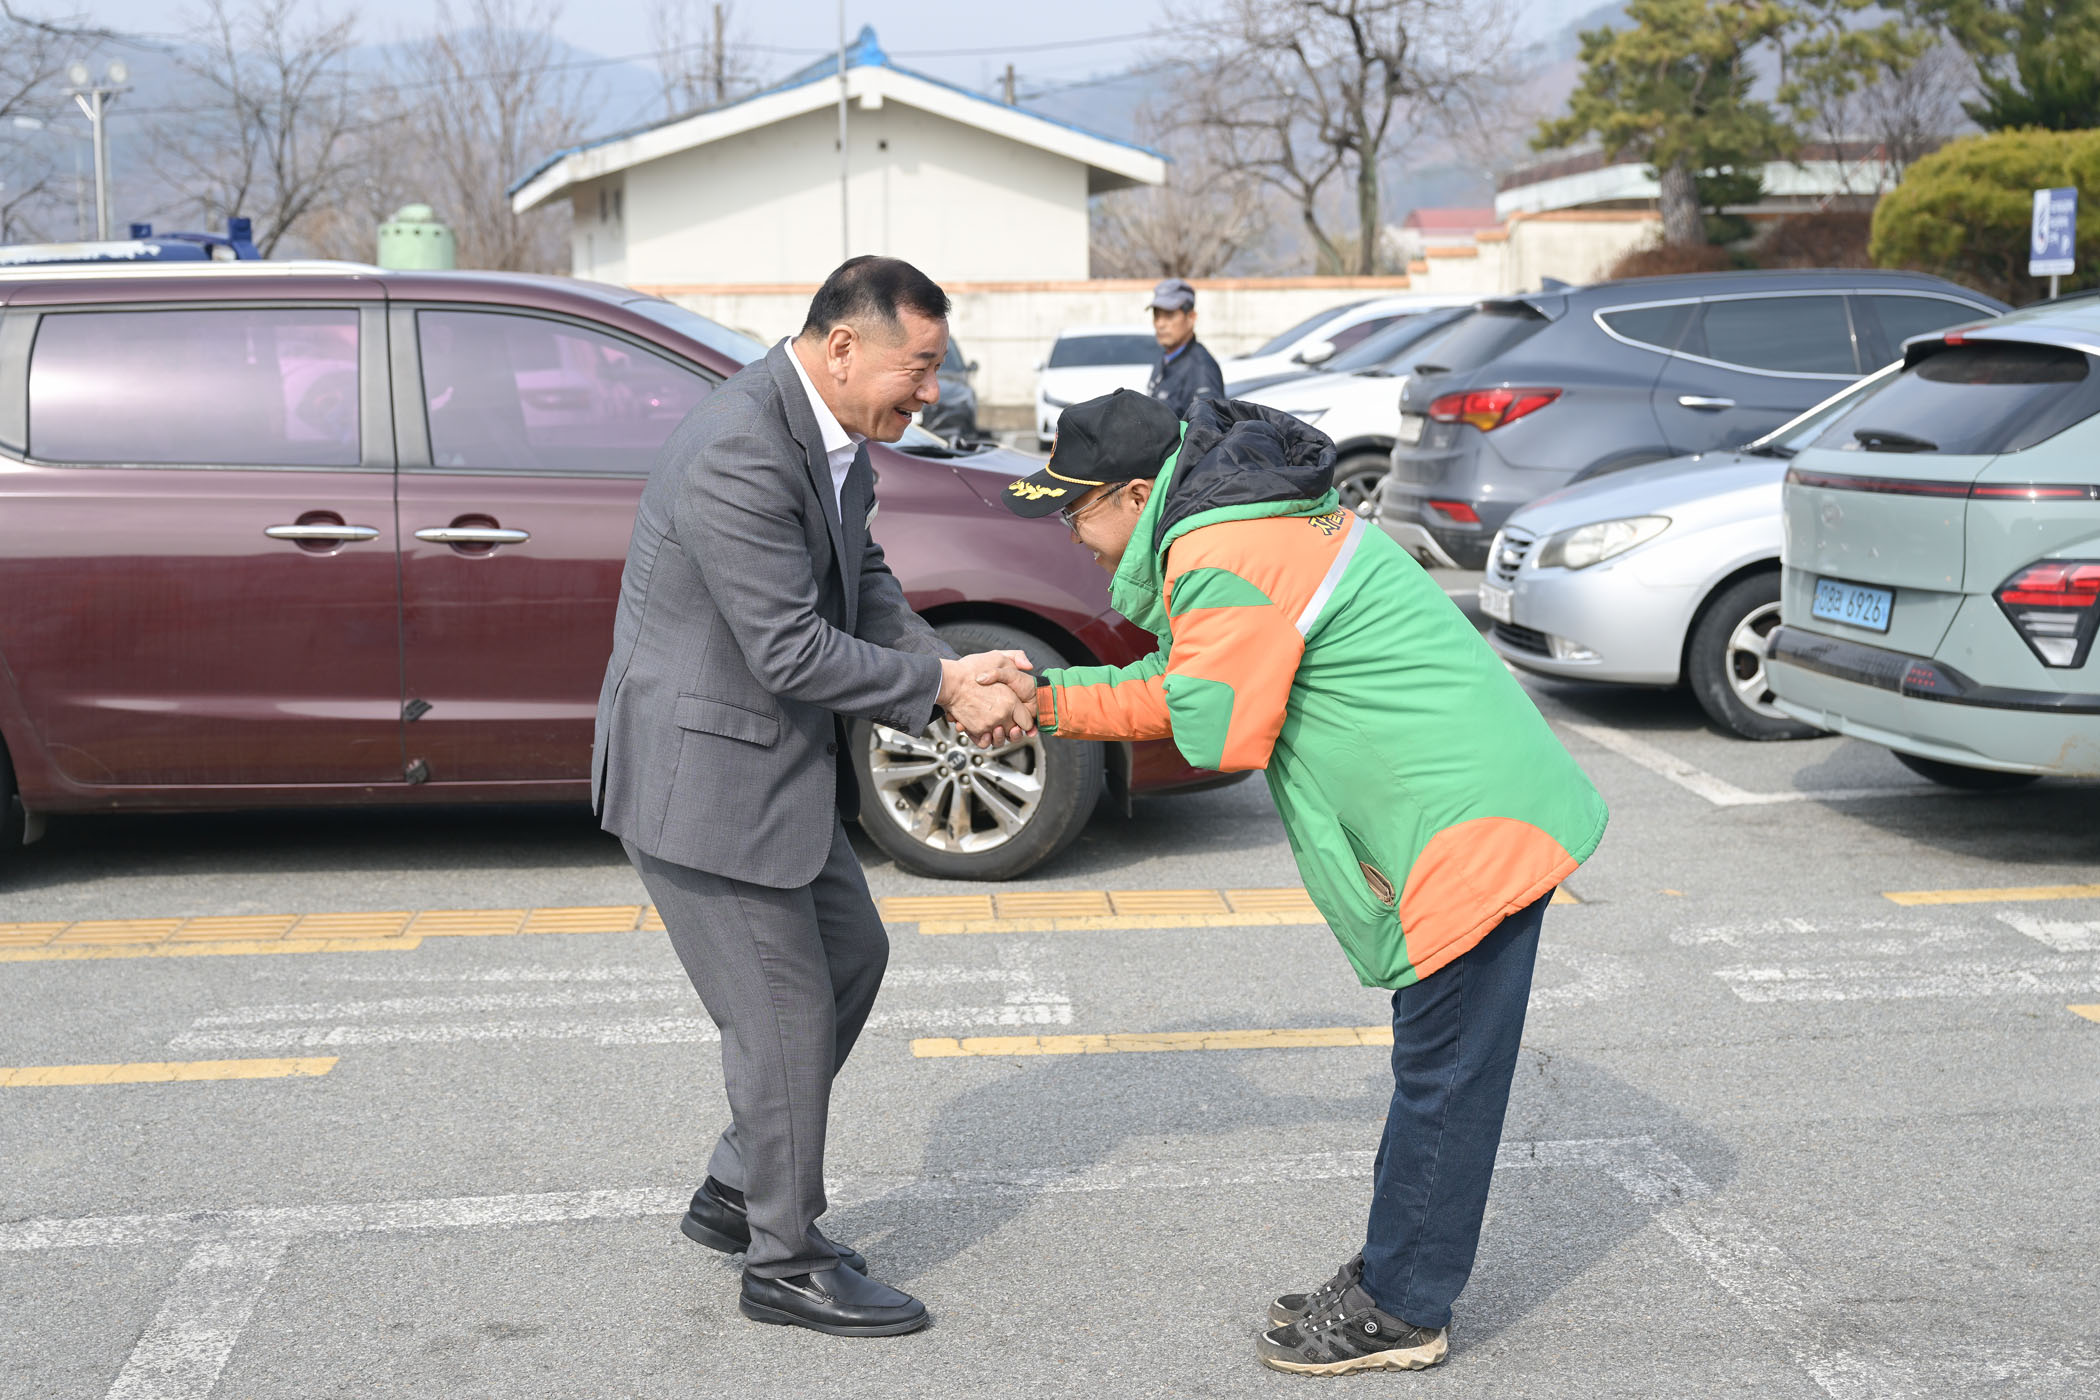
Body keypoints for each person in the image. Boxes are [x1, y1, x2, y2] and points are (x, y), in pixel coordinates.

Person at [1000, 389, 1607, 1376]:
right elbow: (1195, 683)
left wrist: (1038, 700)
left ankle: (1403, 1307)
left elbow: (1216, 727)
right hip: (1461, 808)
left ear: (1136, 495)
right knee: (1436, 1066)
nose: (1073, 534)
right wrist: (1048, 699)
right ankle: (1393, 1271)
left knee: (1445, 1079)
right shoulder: (1238, 523)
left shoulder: (1220, 549)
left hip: (1465, 828)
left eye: (1077, 511)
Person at [594, 256, 1036, 1339]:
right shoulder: (742, 446)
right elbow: (789, 646)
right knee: (785, 1015)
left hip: (768, 770)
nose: (931, 390)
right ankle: (784, 1259)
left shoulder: (832, 438)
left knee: (850, 956)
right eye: (918, 366)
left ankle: (737, 1186)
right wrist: (945, 690)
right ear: (843, 346)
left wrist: (951, 670)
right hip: (704, 779)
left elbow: (865, 584)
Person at [1144, 277, 1224, 418]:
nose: (1160, 324)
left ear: (1191, 317)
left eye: (1169, 315)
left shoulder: (1202, 367)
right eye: (1156, 315)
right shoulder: (1165, 359)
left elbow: (1208, 426)